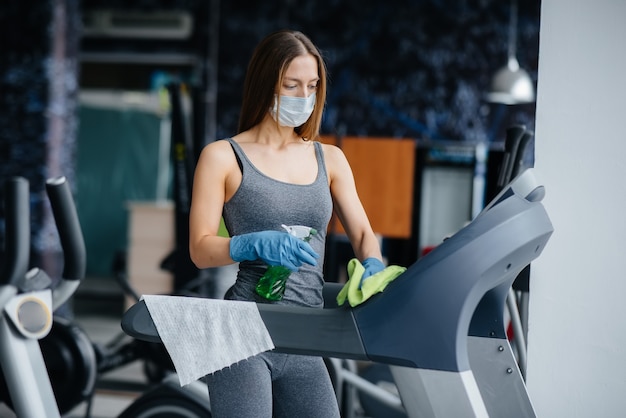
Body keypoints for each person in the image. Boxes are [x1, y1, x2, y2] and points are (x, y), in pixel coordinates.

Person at [189, 29, 385, 418]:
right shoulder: (222, 157)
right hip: (242, 333)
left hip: (304, 335)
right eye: (291, 85)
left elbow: (362, 232)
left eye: (311, 86)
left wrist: (372, 264)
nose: (304, 97)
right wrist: (249, 243)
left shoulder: (330, 159)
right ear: (266, 84)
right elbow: (199, 249)